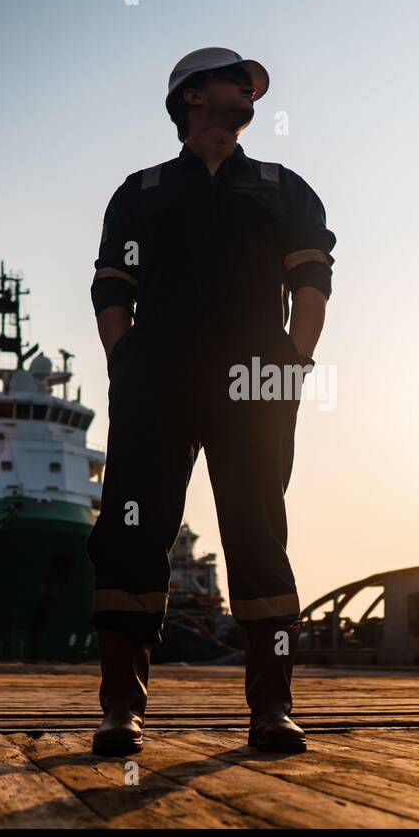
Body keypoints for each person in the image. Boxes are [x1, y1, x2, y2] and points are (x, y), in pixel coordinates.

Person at [86, 47, 336, 755]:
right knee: (133, 533)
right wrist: (127, 359)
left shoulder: (283, 187)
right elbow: (112, 285)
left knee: (259, 532)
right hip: (156, 380)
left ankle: (272, 706)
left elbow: (313, 277)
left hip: (256, 380)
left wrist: (295, 359)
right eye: (237, 79)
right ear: (194, 96)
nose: (249, 90)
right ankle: (120, 710)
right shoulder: (141, 190)